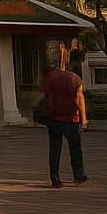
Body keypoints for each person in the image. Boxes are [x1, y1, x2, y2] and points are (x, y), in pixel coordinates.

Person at [41, 56, 87, 187]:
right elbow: (79, 98)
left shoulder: (49, 79)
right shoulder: (75, 78)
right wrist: (84, 118)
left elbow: (46, 95)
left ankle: (55, 177)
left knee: (55, 149)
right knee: (75, 148)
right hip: (72, 118)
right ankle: (79, 174)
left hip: (55, 118)